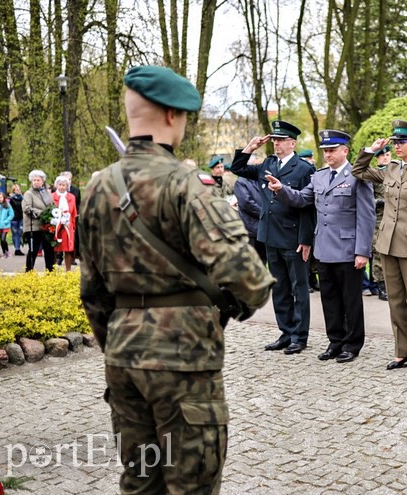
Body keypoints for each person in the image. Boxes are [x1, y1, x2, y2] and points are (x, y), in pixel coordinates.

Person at [79, 65, 274, 494]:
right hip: (184, 361)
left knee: (140, 483)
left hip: (124, 361)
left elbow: (91, 293)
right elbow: (250, 279)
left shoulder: (95, 188)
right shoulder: (187, 184)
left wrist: (121, 344)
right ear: (173, 116)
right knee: (191, 487)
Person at [267, 129, 375, 364]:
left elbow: (367, 217)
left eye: (332, 150)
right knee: (330, 299)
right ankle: (335, 341)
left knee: (351, 301)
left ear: (345, 151)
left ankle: (352, 344)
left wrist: (362, 251)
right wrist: (281, 189)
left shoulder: (358, 176)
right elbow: (302, 199)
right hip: (324, 249)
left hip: (348, 250)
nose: (328, 154)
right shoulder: (319, 176)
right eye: (325, 150)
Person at [353, 121, 407, 374]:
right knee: (395, 302)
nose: (397, 146)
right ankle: (402, 352)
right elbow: (358, 171)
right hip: (387, 244)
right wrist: (370, 149)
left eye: (402, 142)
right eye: (394, 142)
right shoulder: (389, 169)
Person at [230, 120, 316, 355]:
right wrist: (250, 148)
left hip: (293, 236)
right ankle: (286, 332)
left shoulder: (304, 169)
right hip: (269, 235)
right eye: (275, 140)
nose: (276, 144)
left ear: (292, 143)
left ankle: (300, 336)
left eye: (280, 141)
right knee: (279, 288)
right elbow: (237, 168)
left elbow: (309, 206)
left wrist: (306, 239)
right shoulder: (268, 163)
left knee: (299, 288)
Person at [365, 144, 391, 301]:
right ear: (378, 158)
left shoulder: (397, 172)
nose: (386, 157)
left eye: (388, 154)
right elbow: (368, 199)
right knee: (378, 252)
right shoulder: (374, 175)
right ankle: (381, 286)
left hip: (395, 217)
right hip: (379, 218)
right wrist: (382, 201)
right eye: (382, 155)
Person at [22, 170, 56, 272]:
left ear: (43, 181)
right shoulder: (28, 193)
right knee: (33, 251)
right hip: (33, 226)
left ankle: (50, 272)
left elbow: (52, 206)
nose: (36, 182)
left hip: (46, 227)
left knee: (49, 250)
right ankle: (29, 272)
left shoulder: (46, 193)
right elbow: (27, 208)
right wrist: (43, 213)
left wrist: (55, 212)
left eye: (38, 180)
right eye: (34, 180)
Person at [233, 175, 267, 263]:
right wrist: (265, 213)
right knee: (251, 261)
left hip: (263, 228)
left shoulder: (261, 179)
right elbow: (246, 203)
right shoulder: (241, 182)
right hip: (250, 228)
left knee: (262, 259)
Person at [51, 176, 78, 271]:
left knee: (68, 249)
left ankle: (68, 270)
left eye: (64, 185)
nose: (62, 187)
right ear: (56, 185)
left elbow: (73, 212)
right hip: (55, 226)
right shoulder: (52, 196)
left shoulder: (71, 197)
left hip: (67, 226)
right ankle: (52, 270)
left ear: (67, 186)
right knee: (54, 248)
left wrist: (73, 226)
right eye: (60, 185)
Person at [0, 192, 14, 258]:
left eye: (1, 197)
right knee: (1, 240)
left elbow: (11, 214)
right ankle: (4, 253)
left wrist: (6, 221)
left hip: (5, 225)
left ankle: (7, 252)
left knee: (3, 239)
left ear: (4, 197)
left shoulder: (7, 205)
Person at [8, 184, 25, 256]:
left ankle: (18, 247)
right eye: (16, 189)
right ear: (13, 190)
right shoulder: (11, 199)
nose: (18, 190)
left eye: (19, 189)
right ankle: (17, 249)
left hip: (21, 218)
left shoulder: (23, 198)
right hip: (14, 219)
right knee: (15, 234)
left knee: (20, 233)